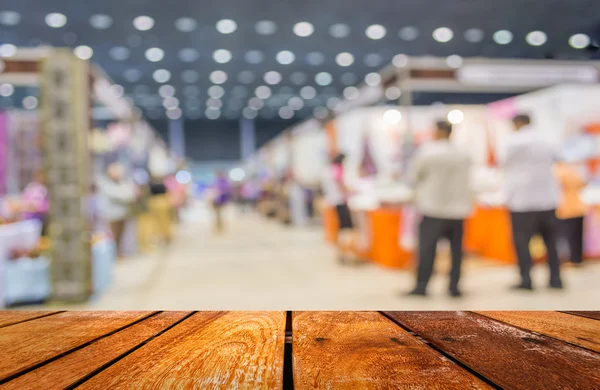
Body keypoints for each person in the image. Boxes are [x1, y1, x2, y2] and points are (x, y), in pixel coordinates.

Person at [405, 120, 473, 297]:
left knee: (427, 249)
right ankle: (454, 287)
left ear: (437, 131)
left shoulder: (427, 153)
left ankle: (422, 286)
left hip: (432, 208)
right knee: (456, 251)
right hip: (458, 210)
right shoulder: (462, 153)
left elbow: (413, 177)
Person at [502, 114, 563, 290]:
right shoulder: (547, 139)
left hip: (522, 200)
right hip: (547, 199)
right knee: (551, 242)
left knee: (522, 243)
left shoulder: (513, 141)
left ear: (517, 123)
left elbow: (504, 164)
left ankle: (526, 280)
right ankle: (555, 279)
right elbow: (558, 158)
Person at [97, 163, 136, 259]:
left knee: (122, 236)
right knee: (113, 236)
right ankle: (112, 255)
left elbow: (130, 195)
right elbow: (119, 196)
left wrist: (126, 195)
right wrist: (125, 196)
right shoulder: (106, 184)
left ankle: (119, 253)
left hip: (123, 214)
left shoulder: (123, 183)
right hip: (112, 216)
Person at [322, 153, 355, 264]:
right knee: (346, 228)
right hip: (340, 201)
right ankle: (345, 253)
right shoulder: (337, 169)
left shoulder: (329, 169)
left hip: (333, 201)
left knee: (342, 228)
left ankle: (341, 253)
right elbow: (340, 184)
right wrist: (350, 192)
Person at [555, 162, 587, 266]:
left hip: (565, 208)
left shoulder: (557, 172)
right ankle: (577, 259)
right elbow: (583, 183)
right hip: (579, 206)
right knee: (577, 236)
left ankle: (567, 259)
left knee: (567, 236)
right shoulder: (574, 171)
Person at [21, 170, 49, 236]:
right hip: (27, 218)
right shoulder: (30, 188)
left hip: (38, 219)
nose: (40, 179)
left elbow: (46, 206)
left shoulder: (45, 190)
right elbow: (24, 201)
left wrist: (38, 208)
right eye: (38, 177)